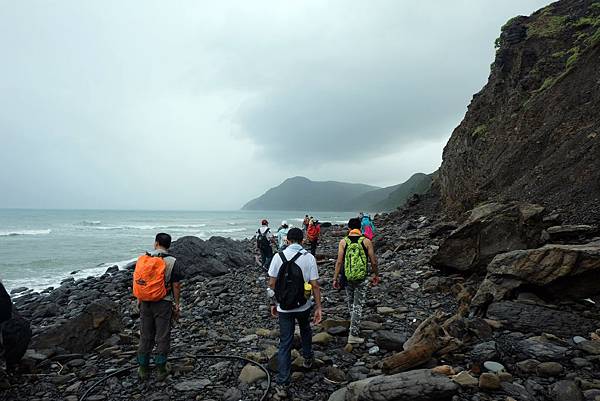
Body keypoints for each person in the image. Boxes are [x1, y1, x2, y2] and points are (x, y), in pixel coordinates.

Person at [268, 228, 322, 396]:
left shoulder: (278, 257)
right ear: (303, 239)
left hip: (284, 307)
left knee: (285, 342)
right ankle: (307, 357)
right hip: (304, 305)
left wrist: (274, 303)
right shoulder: (309, 257)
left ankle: (283, 383)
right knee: (305, 329)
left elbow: (271, 284)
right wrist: (319, 307)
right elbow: (314, 285)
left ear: (288, 240)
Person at [133, 233, 182, 381]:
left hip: (145, 301)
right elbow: (176, 285)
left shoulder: (144, 259)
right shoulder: (172, 261)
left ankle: (143, 369)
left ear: (155, 243)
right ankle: (161, 369)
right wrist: (177, 304)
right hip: (163, 302)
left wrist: (139, 299)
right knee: (162, 335)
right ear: (169, 245)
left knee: (145, 335)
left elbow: (138, 280)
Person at [332, 218, 379, 344]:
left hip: (347, 277)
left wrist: (335, 278)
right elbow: (373, 261)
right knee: (358, 304)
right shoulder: (366, 241)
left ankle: (353, 326)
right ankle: (353, 334)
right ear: (360, 228)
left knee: (351, 302)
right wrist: (376, 275)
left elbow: (339, 262)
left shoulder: (343, 242)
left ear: (349, 228)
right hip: (361, 278)